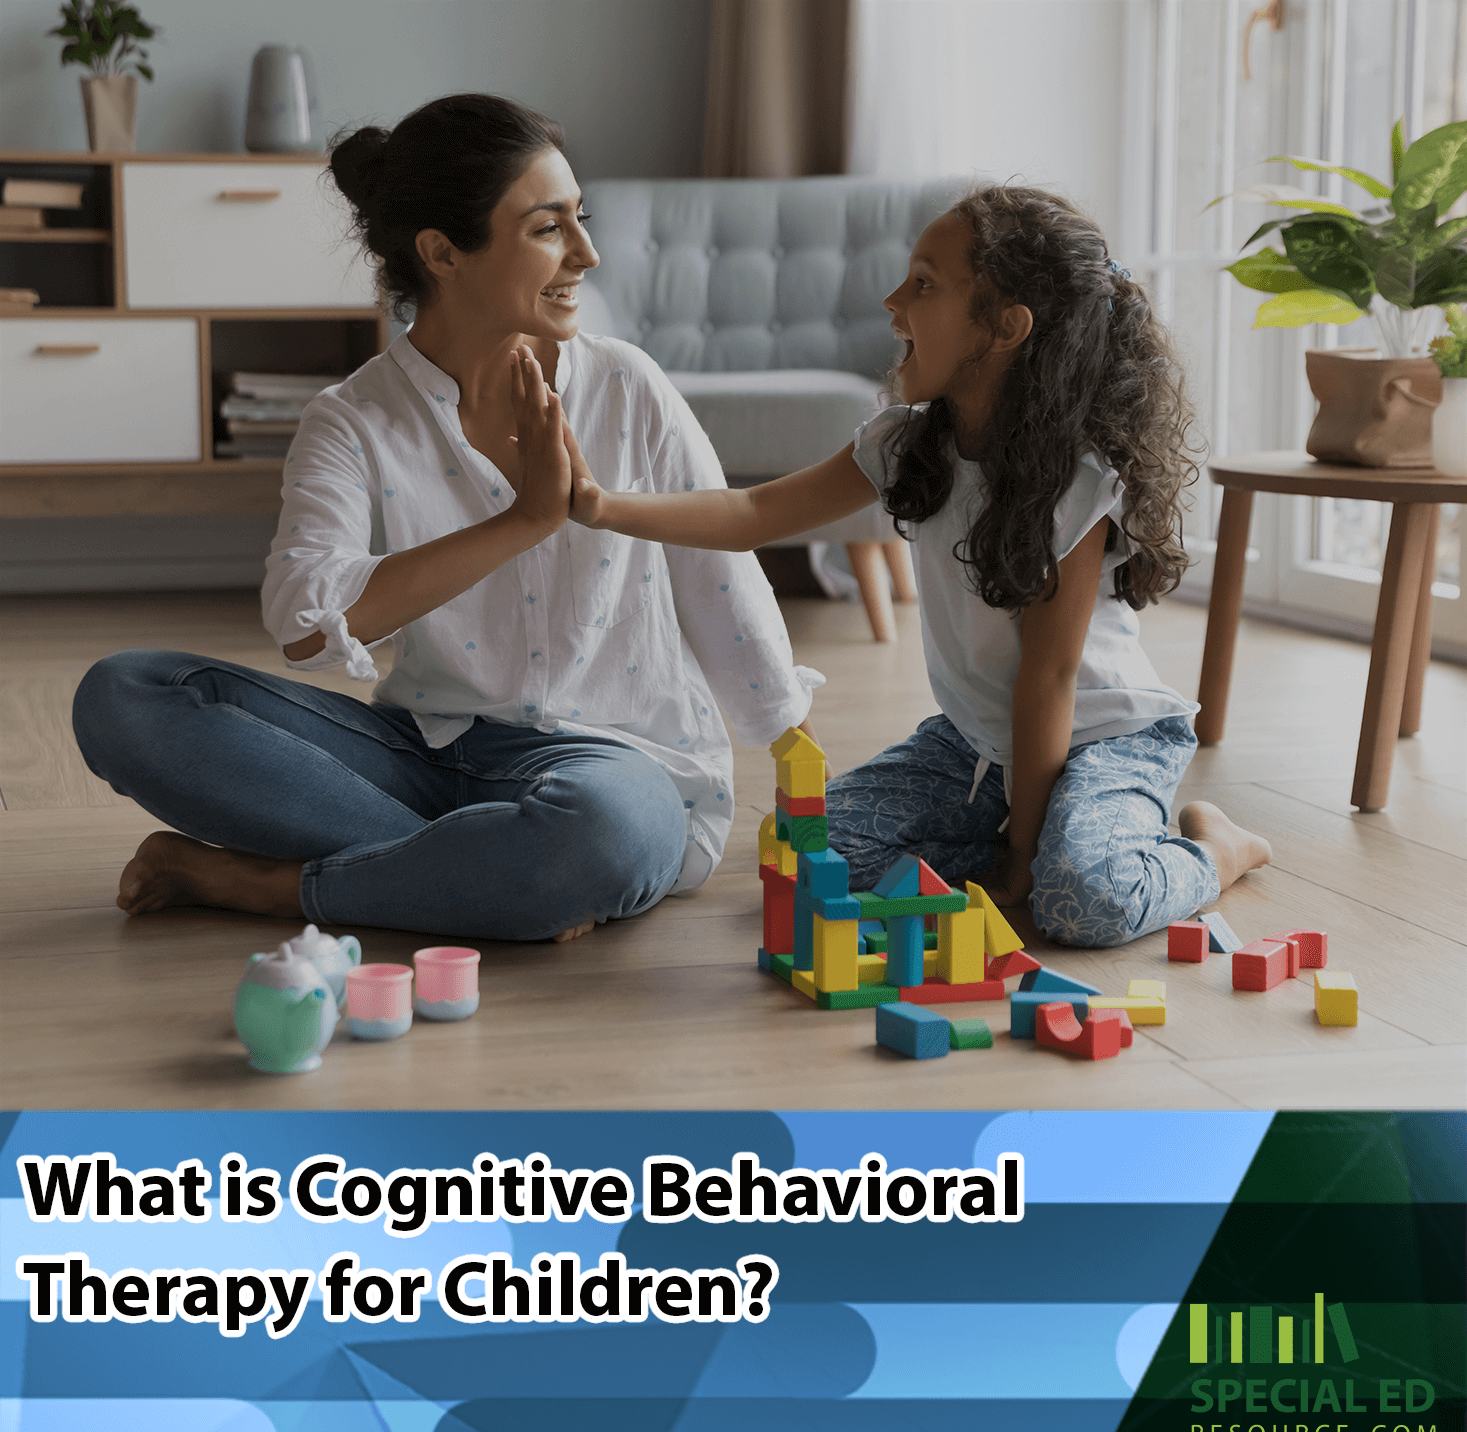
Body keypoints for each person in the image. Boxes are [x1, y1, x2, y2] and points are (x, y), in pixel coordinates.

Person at [71, 93, 821, 942]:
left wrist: (794, 751)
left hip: (609, 767)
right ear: (441, 251)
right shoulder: (351, 420)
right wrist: (523, 521)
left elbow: (717, 575)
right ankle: (490, 874)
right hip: (418, 756)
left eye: (582, 219)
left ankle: (281, 886)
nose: (588, 253)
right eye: (549, 228)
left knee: (608, 833)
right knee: (125, 695)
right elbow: (306, 626)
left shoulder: (625, 386)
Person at [559, 183, 1272, 947]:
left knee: (1078, 903)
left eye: (924, 284)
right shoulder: (902, 441)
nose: (894, 301)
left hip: (1100, 738)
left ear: (1005, 327)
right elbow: (752, 515)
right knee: (801, 856)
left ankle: (1213, 847)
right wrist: (599, 504)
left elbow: (1049, 680)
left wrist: (1026, 860)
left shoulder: (1076, 480)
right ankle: (1039, 837)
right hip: (973, 745)